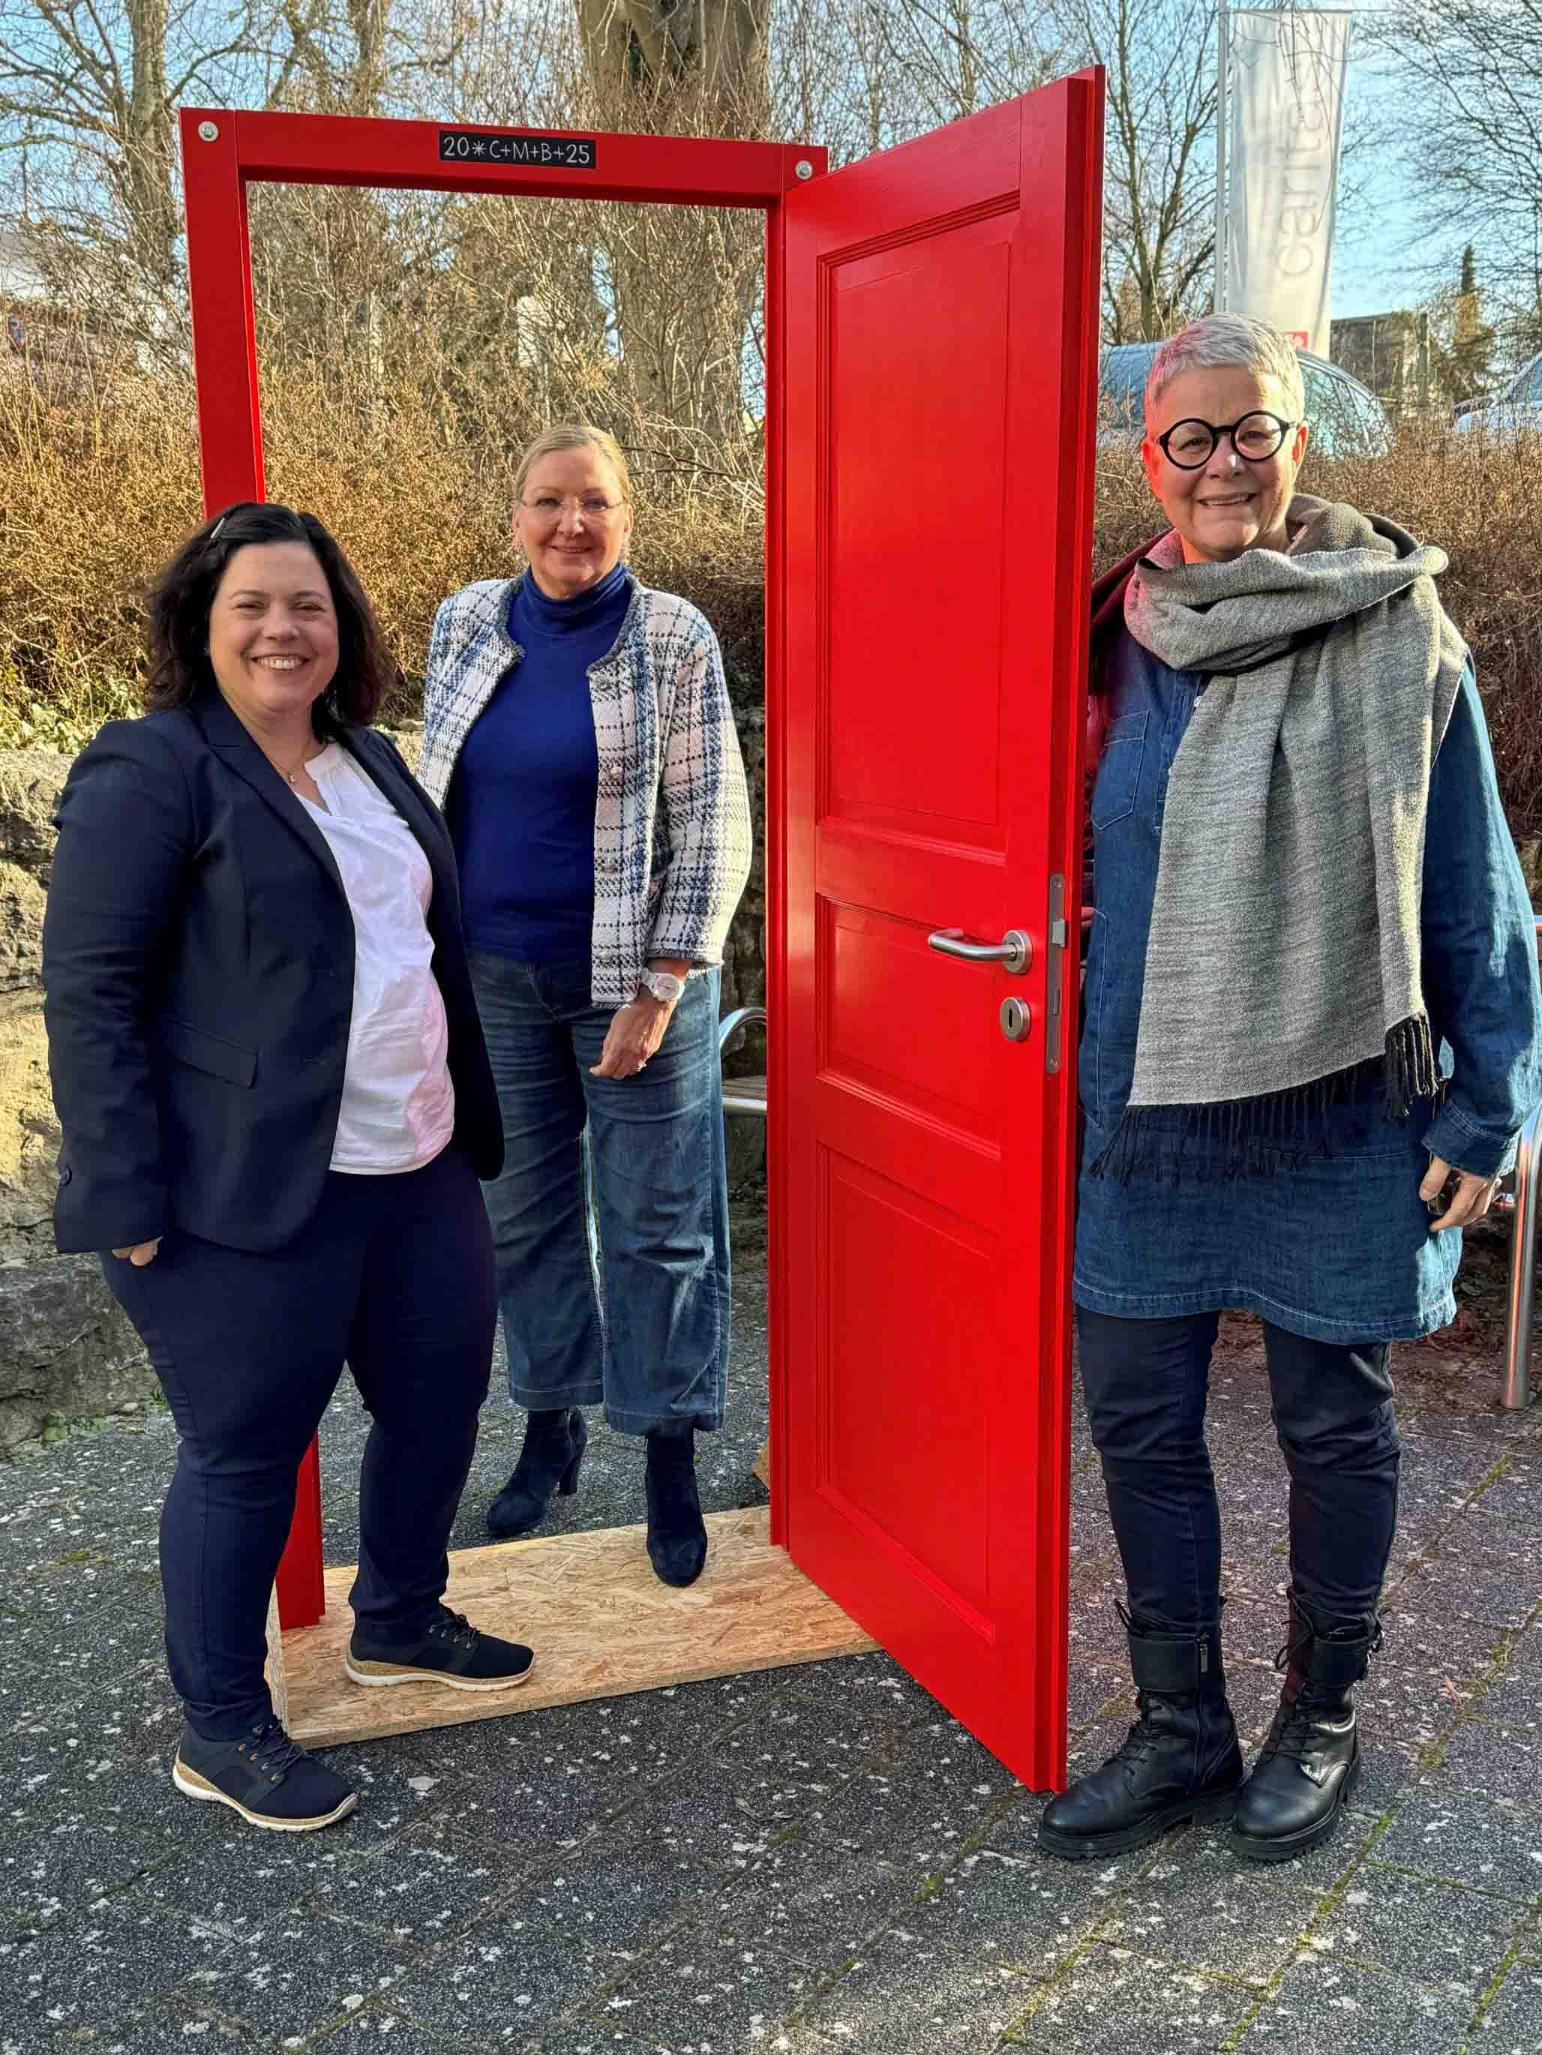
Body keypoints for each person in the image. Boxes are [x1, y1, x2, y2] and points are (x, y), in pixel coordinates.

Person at [1038, 315, 1542, 1867]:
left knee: (1333, 1419)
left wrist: (1490, 1093)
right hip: (1145, 1098)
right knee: (1135, 1417)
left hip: (1339, 1100)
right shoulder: (1101, 630)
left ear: (1298, 443)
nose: (1222, 462)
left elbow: (1468, 878)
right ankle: (1179, 1720)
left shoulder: (1401, 632)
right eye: (1190, 437)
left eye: (1250, 430)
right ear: (1150, 459)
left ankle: (1316, 1712)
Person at [43, 503, 535, 1835]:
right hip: (243, 1188)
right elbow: (87, 992)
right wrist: (126, 1190)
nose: (282, 628)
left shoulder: (370, 754)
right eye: (253, 603)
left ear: (343, 627)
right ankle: (222, 1722)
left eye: (307, 605)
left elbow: (411, 944)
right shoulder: (154, 767)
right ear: (203, 624)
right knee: (245, 1450)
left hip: (415, 1155)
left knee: (439, 1401)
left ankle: (399, 1612)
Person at [419, 424, 751, 1588]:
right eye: (549, 501)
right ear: (516, 514)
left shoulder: (670, 636)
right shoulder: (465, 622)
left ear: (627, 517)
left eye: (595, 503)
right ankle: (551, 1423)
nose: (572, 524)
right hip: (491, 977)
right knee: (523, 1219)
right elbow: (432, 792)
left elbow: (714, 820)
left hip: (631, 983)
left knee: (659, 1230)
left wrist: (666, 983)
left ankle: (667, 1452)